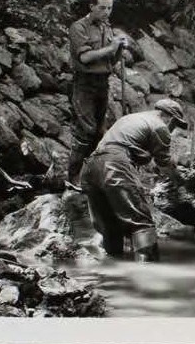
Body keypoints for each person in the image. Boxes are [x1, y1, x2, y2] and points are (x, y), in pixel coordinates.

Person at [80, 98, 187, 262]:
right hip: (114, 165)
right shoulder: (160, 126)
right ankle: (149, 270)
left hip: (90, 168)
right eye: (175, 124)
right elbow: (164, 164)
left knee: (111, 227)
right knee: (141, 223)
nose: (172, 130)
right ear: (170, 117)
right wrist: (181, 183)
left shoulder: (129, 119)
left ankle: (112, 269)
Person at [67, 0, 128, 189]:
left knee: (100, 133)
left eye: (109, 8)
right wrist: (110, 49)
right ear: (91, 6)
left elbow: (111, 60)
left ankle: (92, 176)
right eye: (102, 8)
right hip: (84, 84)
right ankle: (73, 177)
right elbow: (84, 58)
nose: (106, 12)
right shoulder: (79, 27)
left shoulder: (106, 28)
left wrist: (118, 49)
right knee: (86, 131)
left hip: (103, 82)